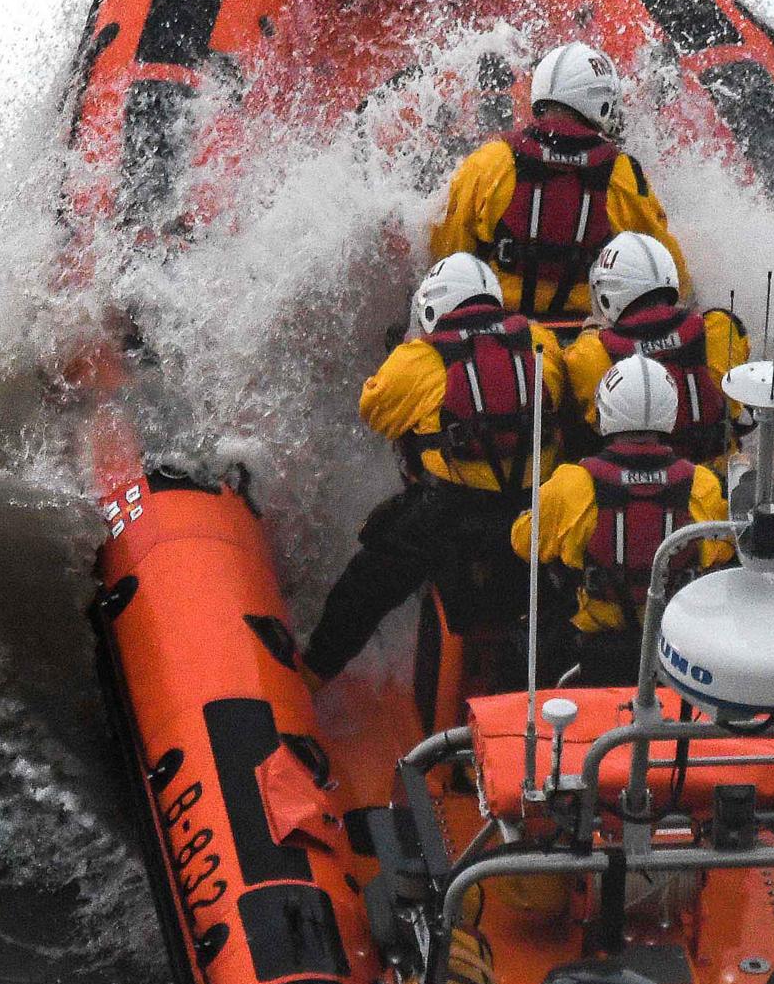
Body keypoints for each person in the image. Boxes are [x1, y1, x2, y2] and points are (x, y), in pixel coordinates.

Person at [301, 253, 575, 684]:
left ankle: (315, 671)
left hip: (451, 517)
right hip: (535, 513)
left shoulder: (420, 360)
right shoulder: (541, 341)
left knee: (368, 583)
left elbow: (376, 411)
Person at [514, 353, 734, 683]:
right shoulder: (701, 484)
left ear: (606, 411)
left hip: (588, 652)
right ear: (671, 412)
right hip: (678, 650)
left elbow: (524, 544)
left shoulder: (572, 483)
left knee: (515, 652)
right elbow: (725, 549)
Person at [425, 42, 683, 321]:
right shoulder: (622, 173)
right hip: (590, 345)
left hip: (503, 343)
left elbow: (445, 255)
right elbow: (666, 270)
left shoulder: (489, 162)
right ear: (601, 101)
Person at [557, 233, 749, 467]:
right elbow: (737, 409)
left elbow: (593, 423)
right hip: (717, 487)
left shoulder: (590, 351)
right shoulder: (721, 327)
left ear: (609, 293)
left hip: (635, 492)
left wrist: (591, 332)